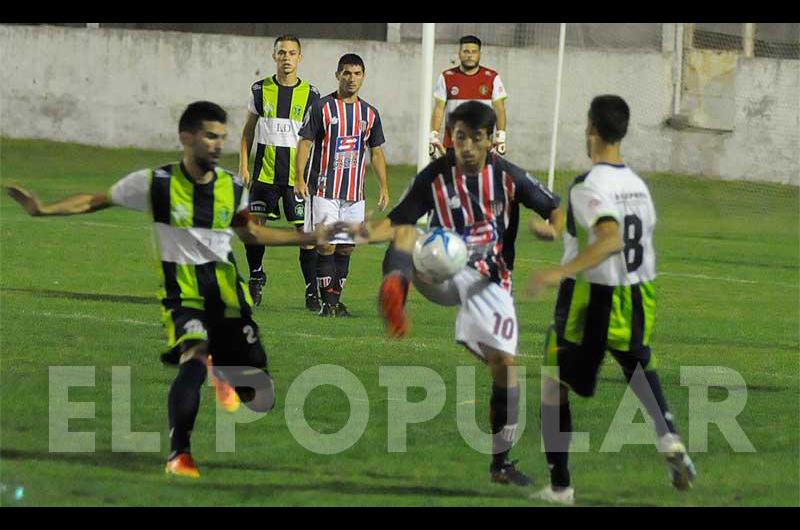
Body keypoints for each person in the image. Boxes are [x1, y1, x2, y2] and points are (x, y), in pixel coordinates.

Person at [5, 101, 338, 479]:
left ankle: (226, 372)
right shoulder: (155, 184)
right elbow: (95, 200)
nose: (217, 144)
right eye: (210, 136)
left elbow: (251, 232)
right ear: (186, 137)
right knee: (193, 361)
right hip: (183, 295)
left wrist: (306, 237)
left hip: (227, 295)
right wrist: (43, 210)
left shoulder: (231, 186)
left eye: (222, 138)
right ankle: (179, 453)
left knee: (259, 398)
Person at [358, 101, 565, 486]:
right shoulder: (434, 176)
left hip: (490, 279)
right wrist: (362, 233)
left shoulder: (509, 176)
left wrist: (553, 230)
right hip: (440, 266)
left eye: (475, 138)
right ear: (449, 138)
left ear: (489, 140)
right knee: (407, 231)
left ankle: (501, 464)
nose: (466, 146)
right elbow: (396, 221)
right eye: (459, 138)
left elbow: (554, 208)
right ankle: (395, 290)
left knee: (506, 367)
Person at [527, 95, 697, 505]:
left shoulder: (590, 184)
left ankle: (560, 486)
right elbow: (602, 222)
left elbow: (610, 236)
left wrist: (559, 271)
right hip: (638, 291)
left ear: (593, 131)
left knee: (554, 386)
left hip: (592, 297)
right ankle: (669, 436)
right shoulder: (637, 185)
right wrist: (558, 233)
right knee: (637, 363)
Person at [295, 53, 390, 317]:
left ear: (363, 77)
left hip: (354, 193)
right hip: (324, 190)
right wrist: (298, 177)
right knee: (327, 245)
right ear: (338, 75)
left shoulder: (370, 113)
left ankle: (334, 301)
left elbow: (377, 152)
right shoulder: (322, 107)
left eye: (357, 73)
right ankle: (328, 304)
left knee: (347, 247)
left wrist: (384, 186)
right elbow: (305, 143)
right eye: (347, 73)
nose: (351, 78)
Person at [239, 35, 321, 311]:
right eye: (282, 53)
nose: (287, 58)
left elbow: (314, 140)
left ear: (300, 57)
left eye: (292, 53)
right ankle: (256, 276)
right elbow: (248, 131)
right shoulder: (260, 89)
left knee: (305, 233)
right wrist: (243, 165)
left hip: (296, 180)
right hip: (264, 175)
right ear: (274, 56)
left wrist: (309, 176)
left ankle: (311, 291)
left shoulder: (311, 94)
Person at [429, 35, 508, 159]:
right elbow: (439, 108)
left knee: (482, 178)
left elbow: (499, 109)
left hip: (481, 143)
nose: (470, 55)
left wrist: (501, 137)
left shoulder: (492, 77)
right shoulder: (447, 77)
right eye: (466, 51)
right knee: (453, 178)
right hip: (454, 143)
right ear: (459, 54)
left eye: (474, 52)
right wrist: (434, 135)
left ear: (479, 54)